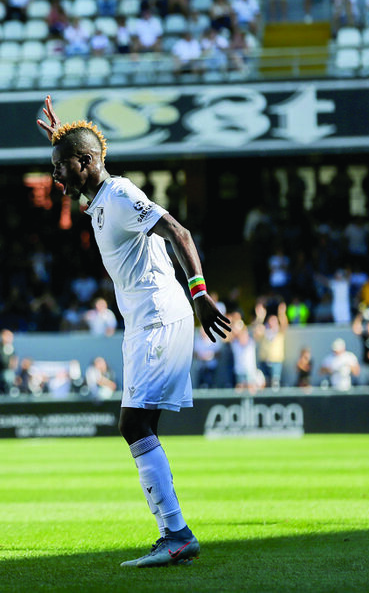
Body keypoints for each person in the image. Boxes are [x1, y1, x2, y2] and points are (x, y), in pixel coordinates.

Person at [37, 95, 230, 568]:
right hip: (144, 320)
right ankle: (172, 533)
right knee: (143, 425)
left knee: (133, 423)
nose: (55, 175)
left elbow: (179, 232)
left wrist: (200, 292)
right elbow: (88, 170)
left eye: (62, 166)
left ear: (87, 163)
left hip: (160, 316)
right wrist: (66, 141)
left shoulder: (119, 195)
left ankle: (177, 534)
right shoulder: (101, 199)